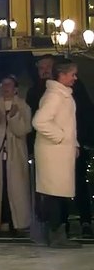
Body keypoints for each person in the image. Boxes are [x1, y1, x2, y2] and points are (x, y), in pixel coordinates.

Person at [32, 57, 83, 248]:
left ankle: (58, 233)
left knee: (58, 193)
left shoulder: (62, 94)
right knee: (53, 193)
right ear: (61, 75)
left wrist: (73, 143)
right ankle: (55, 235)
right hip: (53, 152)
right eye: (72, 74)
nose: (75, 78)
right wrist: (61, 137)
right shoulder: (55, 95)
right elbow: (40, 121)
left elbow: (68, 124)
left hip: (59, 152)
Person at [0, 76, 32, 236]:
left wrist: (14, 117)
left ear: (16, 88)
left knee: (16, 189)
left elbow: (23, 130)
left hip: (15, 155)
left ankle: (17, 224)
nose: (5, 87)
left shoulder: (23, 106)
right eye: (3, 84)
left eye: (9, 84)